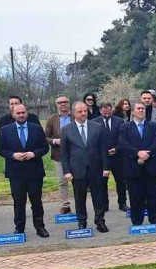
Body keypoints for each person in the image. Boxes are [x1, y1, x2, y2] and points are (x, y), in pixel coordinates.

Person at [0, 104, 50, 238]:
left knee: (36, 201)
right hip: (16, 172)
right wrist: (12, 155)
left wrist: (34, 153)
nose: (21, 115)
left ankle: (40, 227)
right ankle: (19, 228)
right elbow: (0, 149)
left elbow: (45, 147)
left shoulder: (36, 128)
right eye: (18, 113)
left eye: (23, 112)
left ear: (27, 113)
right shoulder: (5, 130)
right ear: (13, 115)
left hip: (34, 171)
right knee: (19, 202)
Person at [61, 102, 111, 231]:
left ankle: (100, 221)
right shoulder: (66, 130)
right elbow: (64, 153)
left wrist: (106, 167)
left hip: (96, 168)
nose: (83, 113)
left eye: (85, 111)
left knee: (98, 197)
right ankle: (82, 221)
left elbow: (103, 149)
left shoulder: (97, 127)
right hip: (77, 169)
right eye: (80, 111)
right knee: (79, 198)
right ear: (74, 113)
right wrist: (66, 171)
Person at [119, 102, 156, 226]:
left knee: (153, 196)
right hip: (133, 168)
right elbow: (123, 144)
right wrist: (138, 153)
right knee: (135, 197)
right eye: (138, 108)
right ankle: (137, 222)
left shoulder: (153, 126)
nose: (141, 110)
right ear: (133, 111)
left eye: (143, 108)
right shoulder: (125, 127)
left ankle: (154, 220)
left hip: (151, 166)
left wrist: (147, 154)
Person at [94, 102, 128, 212]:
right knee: (102, 182)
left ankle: (122, 203)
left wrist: (116, 149)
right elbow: (94, 141)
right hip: (102, 158)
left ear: (111, 110)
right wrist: (103, 152)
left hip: (117, 156)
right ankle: (104, 205)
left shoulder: (119, 121)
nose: (107, 115)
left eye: (109, 113)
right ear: (100, 111)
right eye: (105, 113)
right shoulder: (94, 123)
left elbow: (123, 138)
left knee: (121, 181)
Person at [44, 95, 73, 214]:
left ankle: (80, 203)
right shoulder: (52, 119)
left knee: (78, 180)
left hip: (76, 153)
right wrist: (55, 141)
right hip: (59, 154)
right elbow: (45, 137)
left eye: (65, 102)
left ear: (69, 103)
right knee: (62, 180)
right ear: (57, 105)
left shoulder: (75, 117)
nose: (63, 104)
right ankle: (65, 205)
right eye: (60, 102)